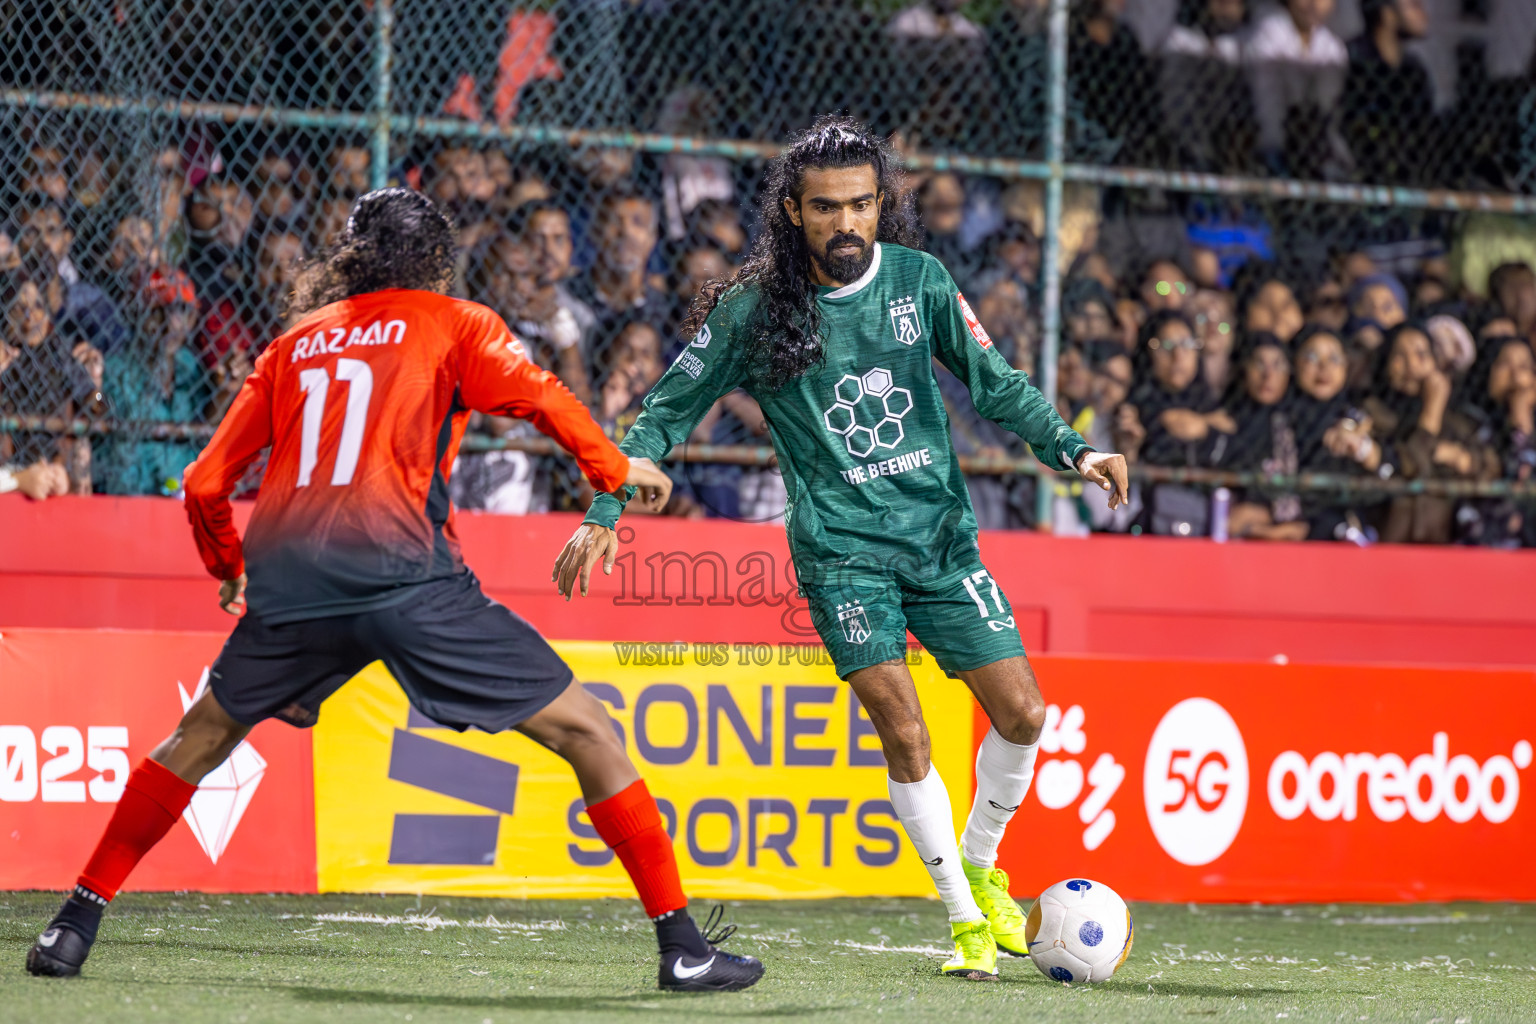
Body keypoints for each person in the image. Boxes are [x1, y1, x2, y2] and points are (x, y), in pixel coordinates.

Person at [24, 188, 765, 994]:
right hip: (405, 577)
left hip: (290, 585)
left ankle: (73, 923)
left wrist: (228, 568)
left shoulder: (294, 343)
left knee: (194, 741)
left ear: (353, 258)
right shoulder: (455, 322)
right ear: (438, 260)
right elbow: (544, 400)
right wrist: (615, 471)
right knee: (588, 730)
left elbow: (204, 482)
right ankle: (681, 947)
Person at [550, 117, 1128, 980]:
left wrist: (1075, 451)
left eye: (861, 203)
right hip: (841, 555)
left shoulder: (920, 282)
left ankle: (980, 863)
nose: (846, 222)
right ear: (794, 211)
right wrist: (603, 508)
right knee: (907, 733)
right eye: (826, 208)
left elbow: (997, 386)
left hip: (939, 542)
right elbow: (662, 414)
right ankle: (966, 921)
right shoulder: (752, 311)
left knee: (1026, 716)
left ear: (881, 202)